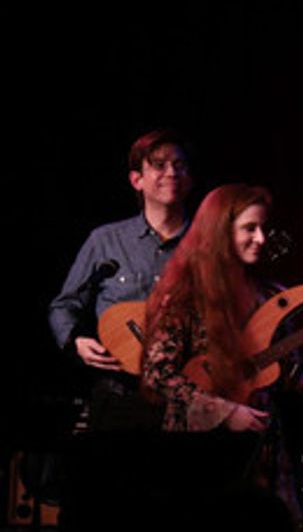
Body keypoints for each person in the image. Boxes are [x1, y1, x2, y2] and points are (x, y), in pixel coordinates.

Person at [50, 130, 193, 427]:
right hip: (120, 396)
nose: (171, 172)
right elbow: (63, 305)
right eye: (159, 165)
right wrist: (76, 341)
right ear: (136, 180)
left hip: (191, 396)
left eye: (179, 165)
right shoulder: (105, 241)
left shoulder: (207, 245)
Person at [140, 184, 274, 433]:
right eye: (250, 229)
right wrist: (225, 412)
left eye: (264, 228)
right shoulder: (186, 294)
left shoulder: (268, 294)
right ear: (221, 231)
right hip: (201, 443)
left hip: (261, 439)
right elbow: (157, 373)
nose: (261, 238)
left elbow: (289, 368)